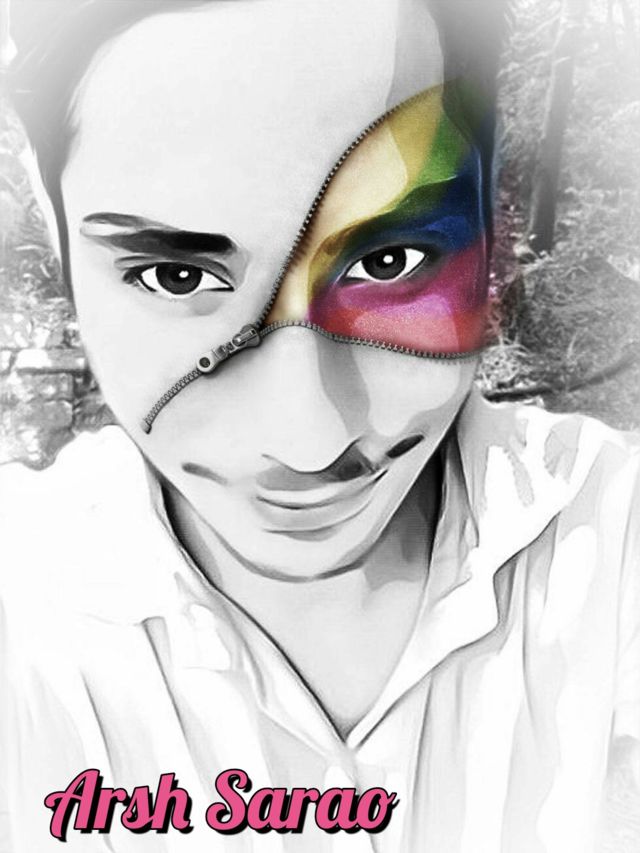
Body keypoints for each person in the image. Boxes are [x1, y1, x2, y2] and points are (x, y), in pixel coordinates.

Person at [1, 0, 639, 850]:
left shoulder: (613, 547)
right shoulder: (23, 610)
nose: (308, 441)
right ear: (57, 235)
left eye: (389, 261)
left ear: (494, 223)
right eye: (176, 277)